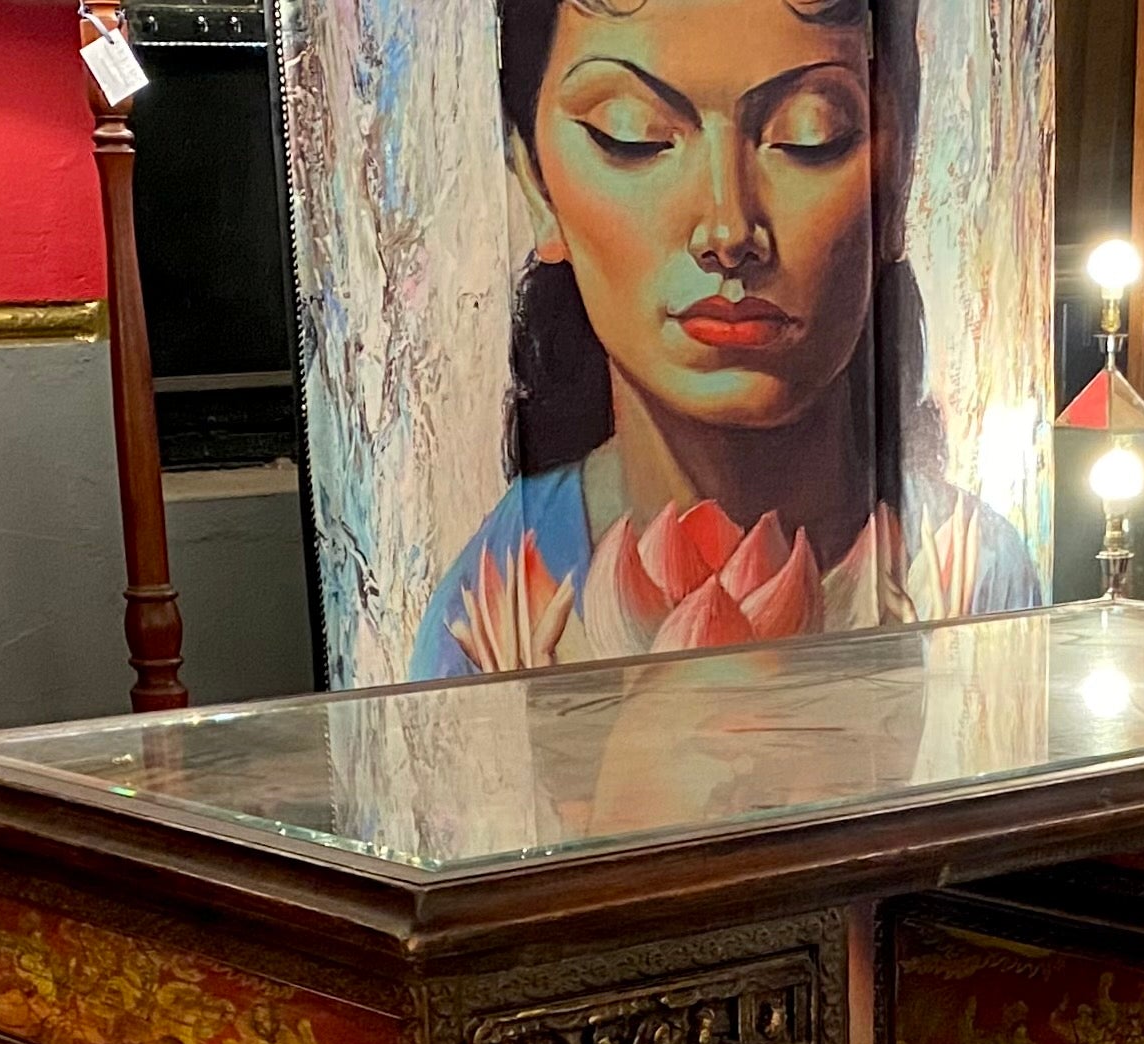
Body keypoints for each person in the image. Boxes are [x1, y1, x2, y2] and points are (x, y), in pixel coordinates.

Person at [409, 0, 1040, 679]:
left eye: (810, 135)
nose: (728, 230)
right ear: (535, 186)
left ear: (898, 177)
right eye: (634, 135)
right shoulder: (490, 603)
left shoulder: (970, 574)